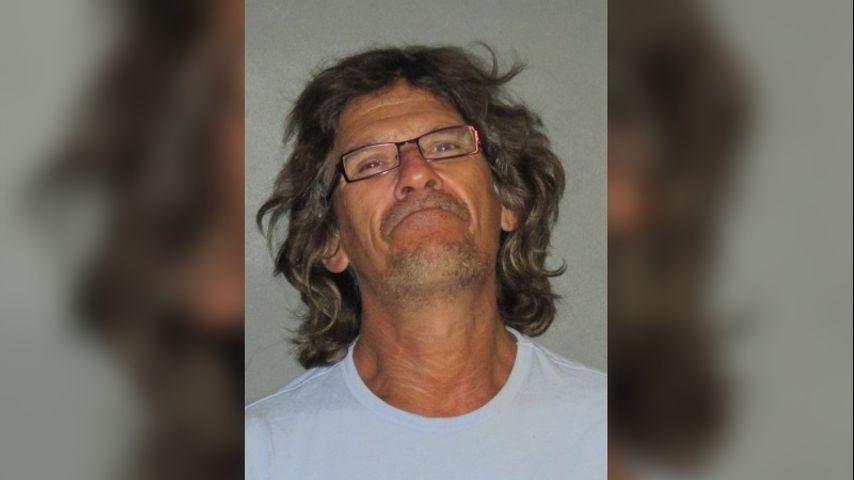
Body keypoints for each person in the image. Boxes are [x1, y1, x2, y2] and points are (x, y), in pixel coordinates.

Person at [246, 45, 606, 479]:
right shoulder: (260, 455)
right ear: (330, 241)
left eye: (445, 145)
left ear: (508, 202)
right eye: (372, 163)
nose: (416, 173)